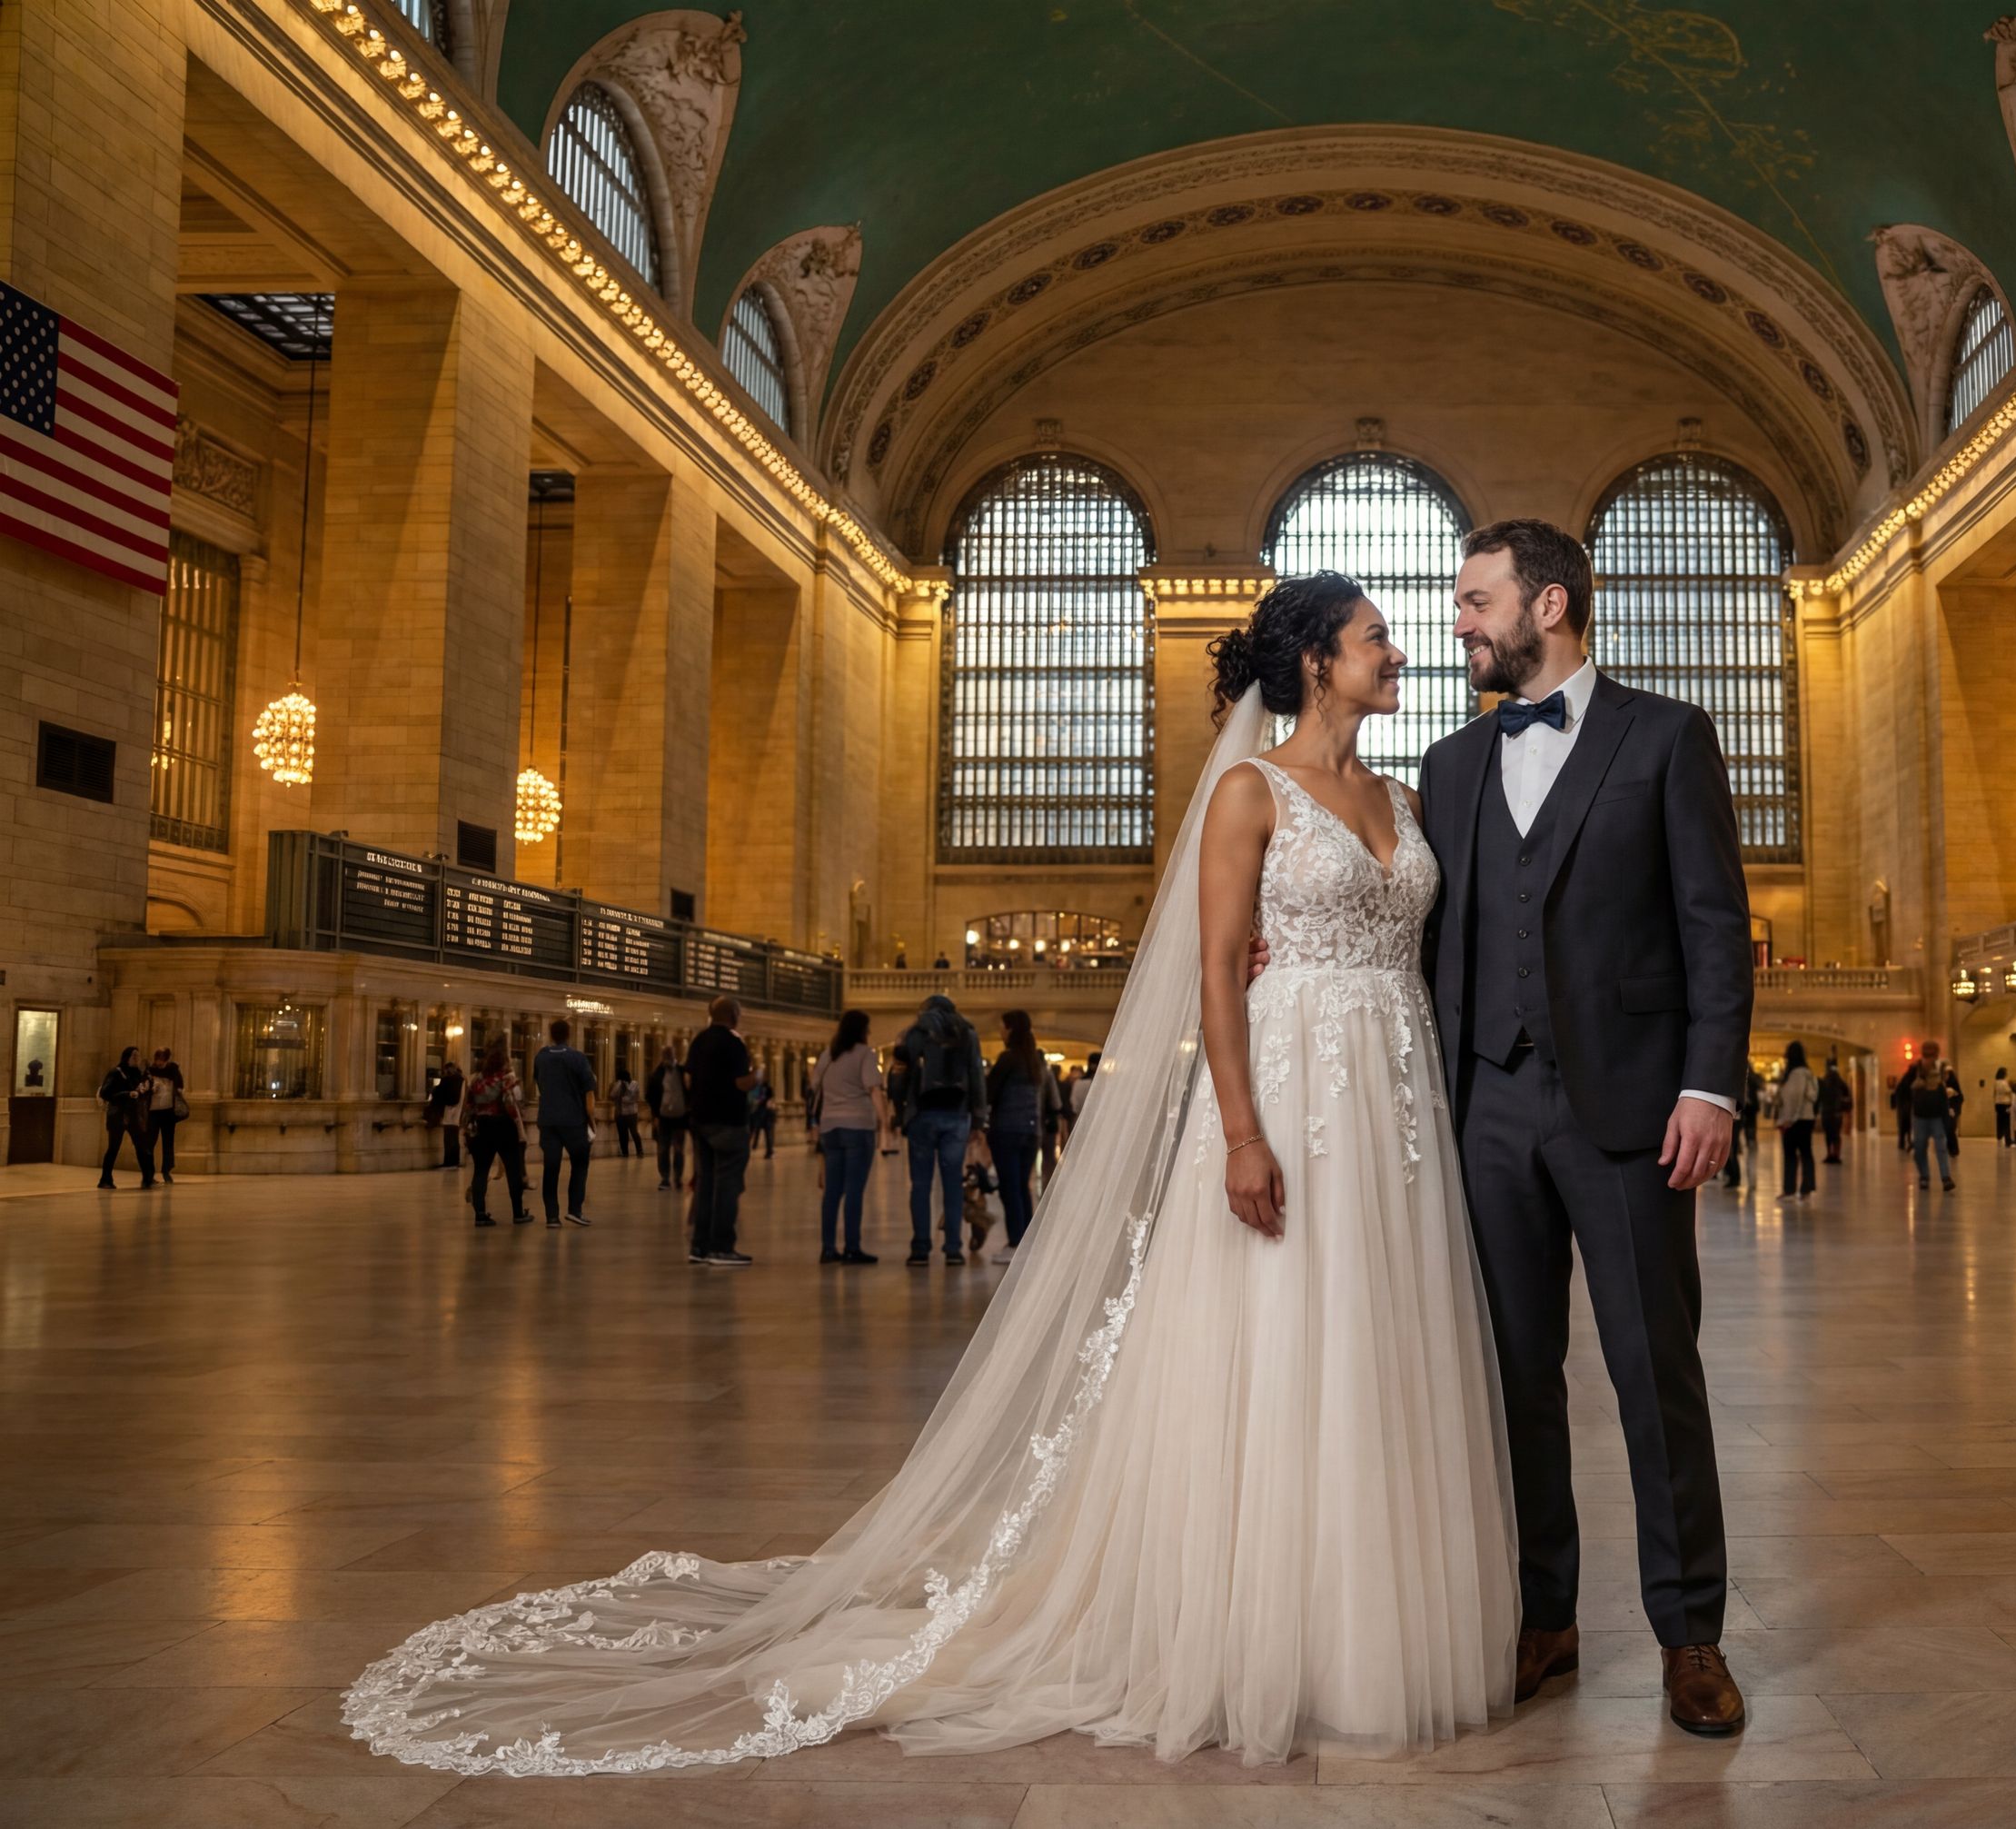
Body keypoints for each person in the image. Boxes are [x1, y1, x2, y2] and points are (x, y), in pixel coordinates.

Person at [348, 569, 1518, 1771]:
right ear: (1319, 661)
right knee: (1280, 1340)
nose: (1399, 651)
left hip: (1393, 1105)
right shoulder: (1246, 793)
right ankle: (1253, 1626)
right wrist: (1240, 1131)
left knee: (1374, 1338)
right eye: (1377, 636)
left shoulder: (1411, 792)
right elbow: (1220, 973)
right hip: (1286, 1089)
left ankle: (1360, 1617)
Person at [1415, 522, 1748, 1736]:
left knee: (1655, 1373)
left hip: (1632, 1110)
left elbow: (1714, 923)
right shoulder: (1450, 767)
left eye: (1474, 599)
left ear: (1546, 603)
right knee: (1514, 1378)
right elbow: (1422, 936)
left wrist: (1709, 1085)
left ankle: (1691, 1635)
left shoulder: (1666, 737)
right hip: (1486, 1109)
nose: (1458, 622)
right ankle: (1543, 1617)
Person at [898, 992, 987, 1267]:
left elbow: (902, 1075)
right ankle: (953, 1248)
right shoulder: (967, 1033)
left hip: (922, 1114)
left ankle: (920, 1248)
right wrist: (978, 1118)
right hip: (956, 1114)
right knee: (951, 1184)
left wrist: (901, 1112)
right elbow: (976, 1076)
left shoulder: (914, 1033)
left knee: (921, 1184)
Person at [683, 998, 757, 1267]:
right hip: (728, 1122)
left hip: (701, 1120)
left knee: (705, 1184)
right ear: (735, 1015)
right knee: (728, 1185)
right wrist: (758, 1077)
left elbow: (688, 1077)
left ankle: (699, 1246)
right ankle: (722, 1247)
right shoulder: (733, 1042)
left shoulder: (700, 1040)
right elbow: (741, 1082)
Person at [983, 1009, 1061, 1262]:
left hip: (1007, 1129)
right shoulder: (1035, 1061)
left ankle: (1016, 1242)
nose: (1000, 1031)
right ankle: (1027, 1242)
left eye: (1002, 1026)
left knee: (1010, 1187)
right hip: (1031, 1131)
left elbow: (989, 1093)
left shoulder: (1008, 1059)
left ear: (1011, 1029)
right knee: (1022, 1187)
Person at [811, 1009, 886, 1266]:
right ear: (861, 1030)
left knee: (832, 1191)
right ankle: (852, 1247)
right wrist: (884, 1121)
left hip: (830, 1127)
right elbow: (874, 1089)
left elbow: (814, 1088)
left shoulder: (827, 1056)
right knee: (854, 1189)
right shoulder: (865, 1055)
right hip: (858, 1126)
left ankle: (828, 1248)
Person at [530, 1019, 597, 1228]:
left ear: (551, 1034)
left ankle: (552, 1217)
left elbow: (539, 1084)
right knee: (580, 1164)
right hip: (573, 1120)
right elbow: (589, 1093)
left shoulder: (541, 1057)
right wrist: (592, 1121)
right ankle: (574, 1210)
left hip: (548, 1120)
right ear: (569, 1034)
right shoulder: (577, 1058)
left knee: (551, 1167)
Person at [462, 1043, 530, 1227]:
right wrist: (518, 1125)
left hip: (482, 1127)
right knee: (513, 1170)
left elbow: (468, 1107)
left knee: (481, 1171)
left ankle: (480, 1214)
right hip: (504, 1126)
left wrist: (467, 1129)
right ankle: (518, 1213)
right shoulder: (507, 1079)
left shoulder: (476, 1081)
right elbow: (509, 1103)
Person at [1895, 1042, 1954, 1191]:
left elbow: (1947, 1090)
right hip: (1920, 1117)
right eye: (1927, 1054)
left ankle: (1946, 1177)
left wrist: (1947, 1116)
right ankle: (1924, 1176)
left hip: (1937, 1116)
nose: (1930, 1057)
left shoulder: (1942, 1069)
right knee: (1920, 1149)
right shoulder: (1915, 1069)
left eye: (1932, 1054)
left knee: (1941, 1147)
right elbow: (1902, 1088)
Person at [94, 1047, 154, 1190]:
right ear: (126, 1057)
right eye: (134, 1056)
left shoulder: (137, 1074)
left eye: (138, 1056)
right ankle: (105, 1179)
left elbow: (140, 1093)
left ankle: (147, 1178)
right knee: (113, 1148)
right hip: (118, 1116)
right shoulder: (116, 1073)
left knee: (141, 1146)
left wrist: (146, 1090)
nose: (137, 1058)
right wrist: (127, 1094)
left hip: (133, 1116)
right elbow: (105, 1093)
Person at [1770, 1041, 1818, 1197]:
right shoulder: (1807, 1072)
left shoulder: (1796, 1073)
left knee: (1790, 1154)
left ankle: (1790, 1189)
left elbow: (1794, 1098)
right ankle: (1806, 1188)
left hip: (1797, 1120)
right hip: (1806, 1118)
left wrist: (1788, 1119)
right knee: (1806, 1153)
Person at [648, 1047, 690, 1190]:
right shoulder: (657, 1074)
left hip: (680, 1116)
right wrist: (655, 1116)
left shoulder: (682, 1071)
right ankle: (665, 1178)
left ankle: (677, 1177)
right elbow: (651, 1096)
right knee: (663, 1148)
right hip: (663, 1116)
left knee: (678, 1149)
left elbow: (689, 1090)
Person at [143, 1047, 186, 1182]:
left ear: (167, 1060)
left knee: (168, 1142)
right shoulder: (150, 1070)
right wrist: (151, 1089)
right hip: (153, 1111)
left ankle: (166, 1170)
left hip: (168, 1111)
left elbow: (180, 1086)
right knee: (150, 1141)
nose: (159, 1063)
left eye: (162, 1060)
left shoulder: (173, 1070)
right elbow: (144, 1087)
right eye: (157, 1059)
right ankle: (148, 1173)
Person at [1721, 1066, 1760, 1189]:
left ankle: (1737, 1177)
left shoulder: (1747, 1083)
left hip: (1740, 1119)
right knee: (1733, 1148)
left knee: (1734, 1148)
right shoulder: (1744, 1081)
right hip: (1740, 1119)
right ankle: (1733, 1175)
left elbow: (1754, 1105)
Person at [427, 1059, 465, 1169]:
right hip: (457, 1113)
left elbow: (441, 1093)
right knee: (453, 1138)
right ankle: (454, 1161)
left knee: (449, 1138)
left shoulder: (450, 1080)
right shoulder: (461, 1080)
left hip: (451, 1113)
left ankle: (450, 1162)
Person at [1818, 1057, 1851, 1164]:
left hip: (1826, 1112)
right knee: (1836, 1134)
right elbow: (1847, 1095)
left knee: (1828, 1135)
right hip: (1836, 1112)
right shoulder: (1840, 1081)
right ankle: (1836, 1154)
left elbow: (1819, 1096)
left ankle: (1829, 1154)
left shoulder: (1824, 1080)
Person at [747, 1066, 778, 1160]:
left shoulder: (766, 1087)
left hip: (764, 1113)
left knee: (767, 1133)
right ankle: (749, 1149)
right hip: (755, 1112)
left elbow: (769, 1099)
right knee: (751, 1132)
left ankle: (769, 1151)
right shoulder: (754, 1087)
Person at [611, 1068, 643, 1157]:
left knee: (634, 1132)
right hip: (620, 1114)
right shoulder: (617, 1084)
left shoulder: (634, 1084)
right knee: (622, 1134)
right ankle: (625, 1152)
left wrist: (624, 1090)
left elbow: (633, 1097)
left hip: (631, 1113)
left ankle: (639, 1151)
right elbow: (612, 1095)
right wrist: (619, 1085)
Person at [1991, 1067, 2015, 1144]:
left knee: (1999, 1120)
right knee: (2006, 1122)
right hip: (2005, 1103)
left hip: (1998, 1104)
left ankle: (1999, 1136)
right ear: (2004, 1074)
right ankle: (2008, 1140)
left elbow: (1994, 1093)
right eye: (2006, 1072)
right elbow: (2009, 1091)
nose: (2007, 1074)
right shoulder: (2004, 1082)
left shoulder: (1995, 1082)